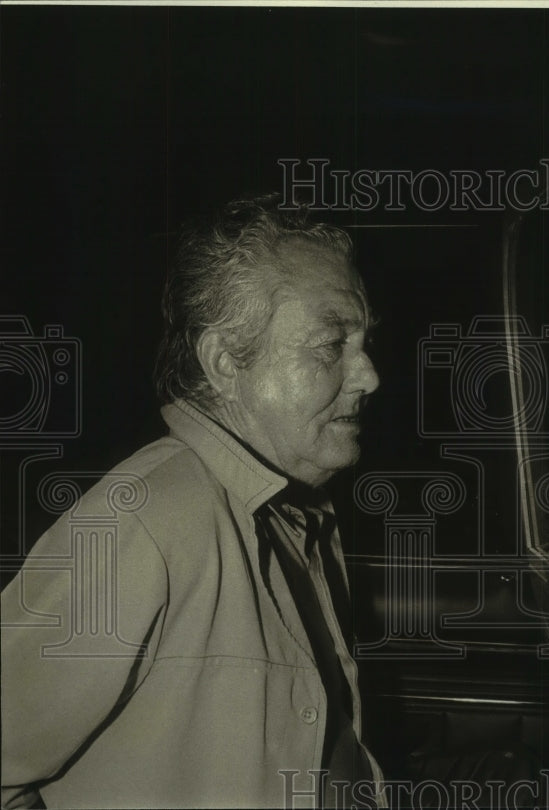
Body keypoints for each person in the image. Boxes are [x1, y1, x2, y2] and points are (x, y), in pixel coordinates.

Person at [1, 194, 384, 808]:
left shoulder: (296, 517)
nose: (368, 375)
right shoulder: (143, 519)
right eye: (330, 344)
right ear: (226, 360)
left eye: (363, 343)